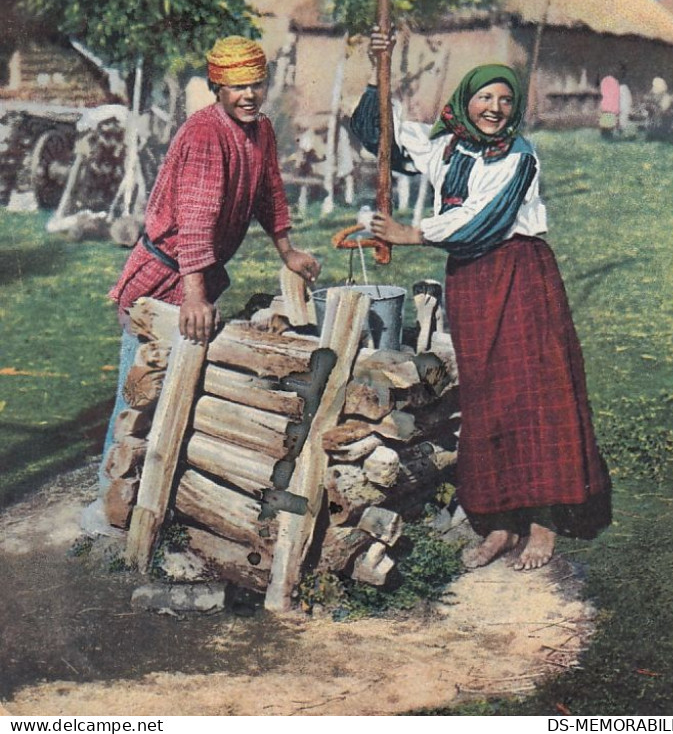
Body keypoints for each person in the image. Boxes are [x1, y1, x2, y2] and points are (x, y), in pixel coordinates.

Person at [351, 31, 611, 571]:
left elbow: (485, 221)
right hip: (471, 279)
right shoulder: (447, 145)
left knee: (534, 392)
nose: (494, 109)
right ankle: (498, 523)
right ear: (466, 101)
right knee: (487, 394)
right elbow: (381, 137)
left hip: (519, 273)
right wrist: (381, 67)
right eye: (485, 98)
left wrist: (409, 233)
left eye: (505, 100)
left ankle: (542, 522)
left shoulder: (519, 157)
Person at [82, 35, 320, 537]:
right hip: (163, 275)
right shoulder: (205, 133)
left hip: (195, 275)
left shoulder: (261, 132)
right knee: (139, 390)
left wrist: (288, 251)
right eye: (236, 87)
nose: (249, 95)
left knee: (177, 389)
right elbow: (195, 218)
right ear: (217, 86)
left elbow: (271, 195)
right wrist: (194, 293)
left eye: (256, 83)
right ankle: (106, 508)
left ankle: (155, 498)